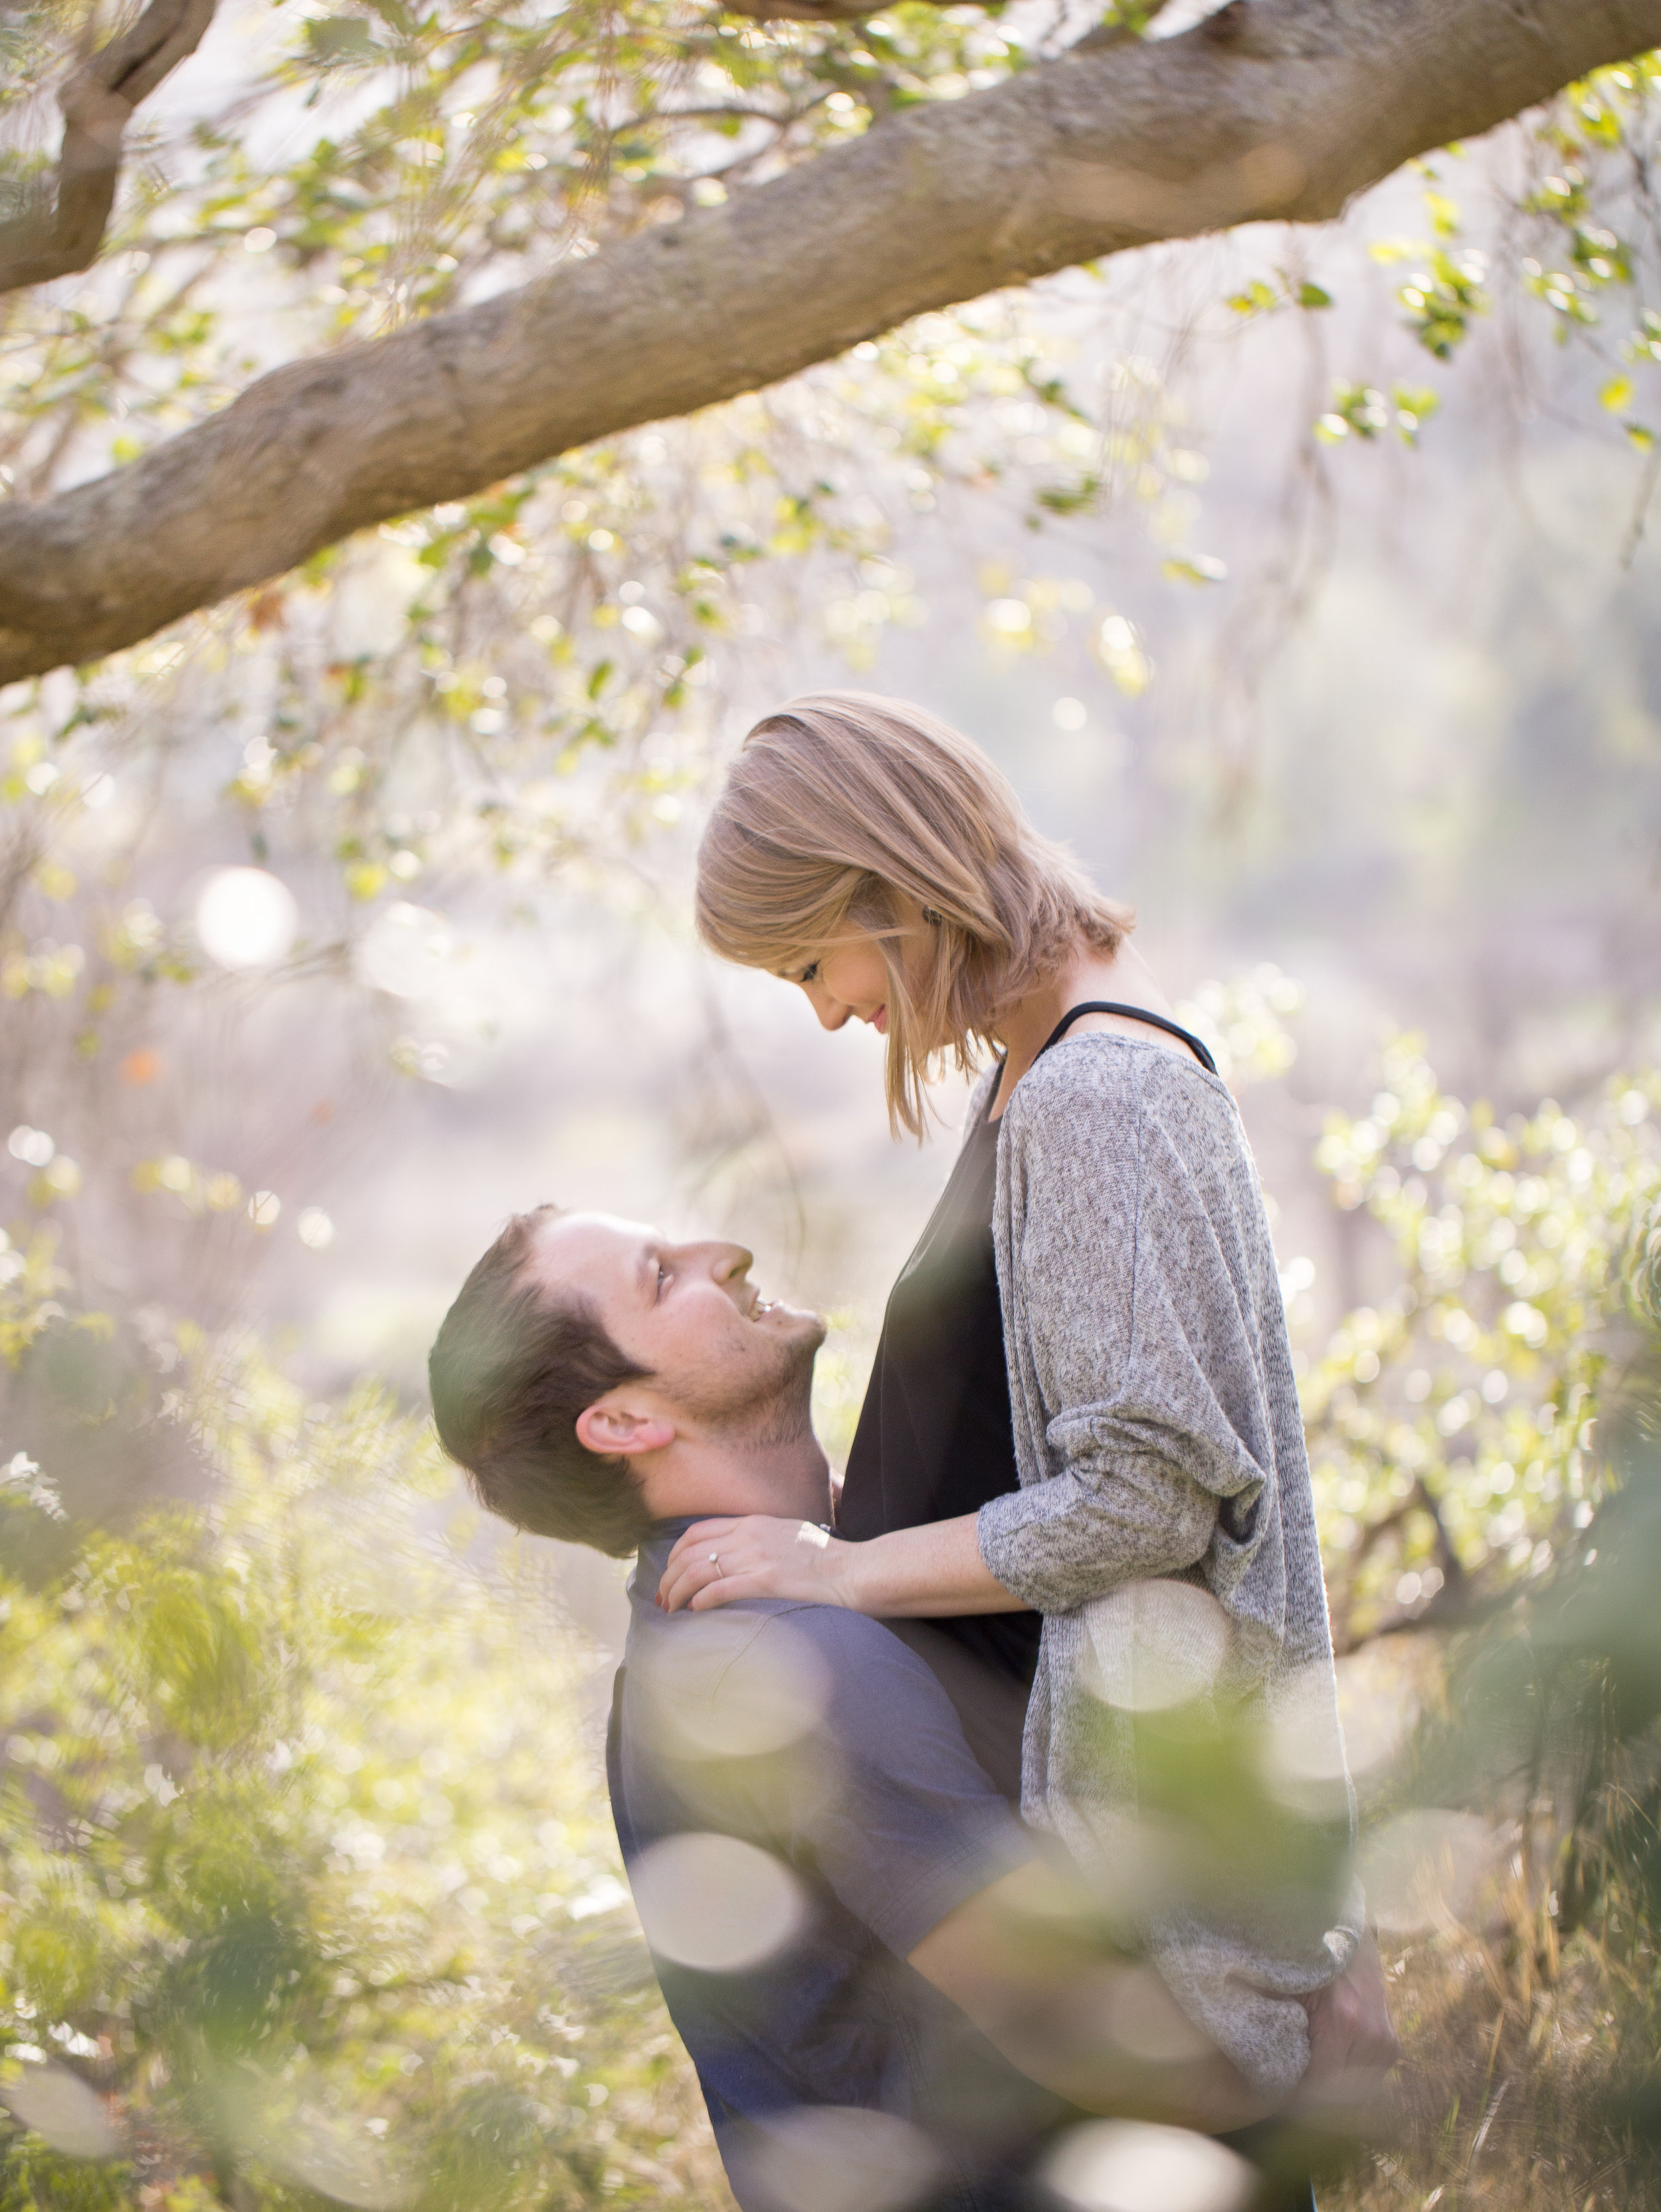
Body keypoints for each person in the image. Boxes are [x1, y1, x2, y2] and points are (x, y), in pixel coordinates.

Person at [678, 690, 1381, 2100]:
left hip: (1152, 1938)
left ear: (889, 887)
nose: (826, 1016)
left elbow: (1150, 1503)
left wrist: (843, 1573)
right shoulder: (1045, 1077)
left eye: (810, 963)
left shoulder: (1091, 1096)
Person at [427, 1207, 1395, 2212]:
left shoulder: (791, 1600)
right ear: (624, 1423)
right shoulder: (791, 1663)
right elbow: (1085, 2028)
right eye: (664, 1276)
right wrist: (1313, 2068)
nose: (726, 1251)